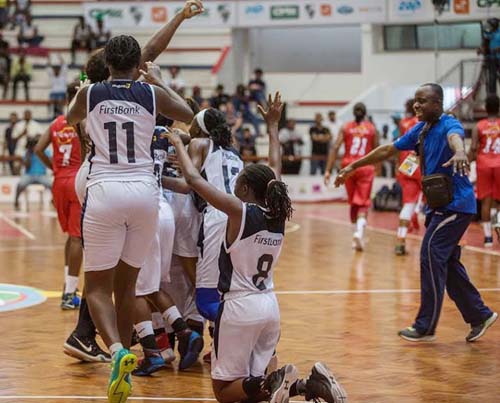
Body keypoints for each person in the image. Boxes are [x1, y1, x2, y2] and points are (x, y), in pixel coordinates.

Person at [166, 92, 346, 403]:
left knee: (224, 392)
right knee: (257, 384)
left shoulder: (238, 212)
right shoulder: (278, 214)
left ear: (246, 189)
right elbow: (275, 169)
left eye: (238, 181)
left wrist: (178, 144)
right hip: (269, 306)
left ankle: (280, 380)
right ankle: (307, 385)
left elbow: (193, 179)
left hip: (239, 307)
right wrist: (272, 127)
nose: (233, 184)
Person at [63, 0, 205, 368]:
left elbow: (69, 117)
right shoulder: (148, 93)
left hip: (102, 183)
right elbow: (190, 116)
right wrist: (160, 81)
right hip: (144, 191)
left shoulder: (89, 92)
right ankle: (122, 348)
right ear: (137, 66)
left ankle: (114, 348)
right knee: (128, 285)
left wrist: (82, 95)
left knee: (98, 284)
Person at [335, 83, 498, 342]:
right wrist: (353, 166)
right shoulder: (421, 129)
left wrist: (459, 151)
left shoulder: (449, 123)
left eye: (423, 101)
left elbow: (456, 139)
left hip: (455, 205)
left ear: (438, 104)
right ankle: (480, 315)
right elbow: (388, 149)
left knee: (430, 253)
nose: (416, 105)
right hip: (439, 205)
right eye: (416, 100)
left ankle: (425, 326)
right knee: (447, 263)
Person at [35, 82, 83, 310]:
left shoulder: (56, 123)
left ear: (66, 99)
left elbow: (38, 149)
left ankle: (68, 285)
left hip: (59, 181)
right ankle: (70, 295)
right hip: (77, 181)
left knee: (71, 238)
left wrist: (54, 167)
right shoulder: (82, 122)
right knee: (77, 238)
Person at [324, 102, 378, 251]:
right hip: (365, 166)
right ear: (365, 113)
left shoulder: (346, 127)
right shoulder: (371, 128)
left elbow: (335, 147)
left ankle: (355, 234)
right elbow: (377, 150)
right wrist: (377, 168)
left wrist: (328, 170)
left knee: (353, 202)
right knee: (363, 203)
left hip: (348, 167)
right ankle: (359, 233)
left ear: (353, 113)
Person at [469, 94, 500, 247]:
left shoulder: (479, 126)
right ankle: (498, 225)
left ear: (486, 109)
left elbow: (473, 148)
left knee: (485, 202)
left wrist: (467, 163)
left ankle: (488, 237)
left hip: (483, 165)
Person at [395, 98, 420, 255]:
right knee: (431, 201)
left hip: (407, 162)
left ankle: (401, 238)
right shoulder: (423, 122)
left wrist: (398, 165)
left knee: (408, 203)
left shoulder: (403, 123)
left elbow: (398, 144)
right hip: (421, 161)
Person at [14, 136, 52, 210]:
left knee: (52, 185)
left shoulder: (45, 151)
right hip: (29, 175)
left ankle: (53, 200)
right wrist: (29, 154)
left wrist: (39, 152)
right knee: (20, 184)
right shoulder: (27, 153)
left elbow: (50, 161)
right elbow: (26, 166)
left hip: (42, 175)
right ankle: (16, 201)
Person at [481, 18, 500, 95]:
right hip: (491, 59)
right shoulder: (488, 34)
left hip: (499, 58)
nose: (489, 27)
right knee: (492, 78)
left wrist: (497, 49)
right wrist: (482, 49)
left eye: (490, 25)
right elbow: (485, 44)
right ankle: (492, 96)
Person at [47, 54, 68, 118]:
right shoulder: (51, 75)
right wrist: (49, 59)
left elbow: (64, 65)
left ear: (59, 69)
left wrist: (60, 57)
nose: (56, 70)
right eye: (55, 69)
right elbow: (48, 67)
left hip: (62, 92)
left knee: (59, 101)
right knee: (51, 101)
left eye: (57, 69)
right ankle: (53, 113)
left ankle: (60, 112)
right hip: (53, 92)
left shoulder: (63, 75)